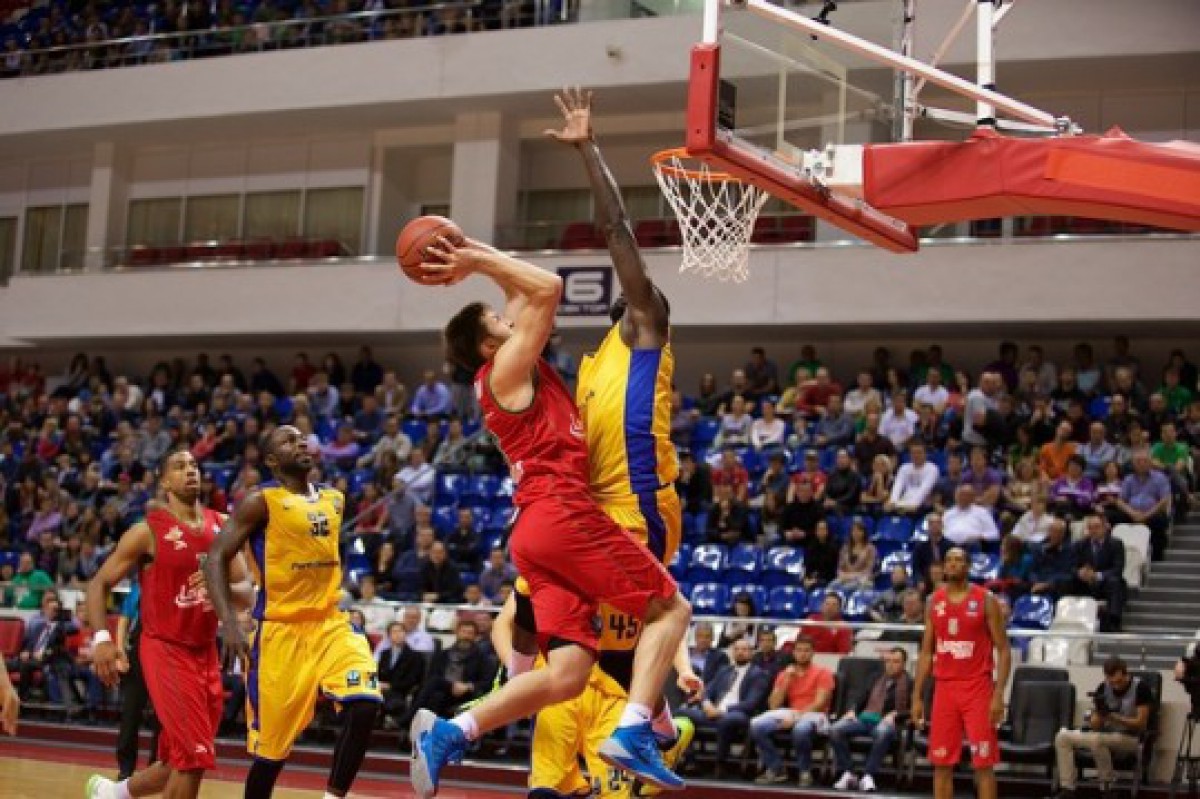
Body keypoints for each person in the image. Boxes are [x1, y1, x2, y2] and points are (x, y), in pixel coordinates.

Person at [422, 181, 691, 793]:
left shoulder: (516, 365)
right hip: (563, 514)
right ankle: (639, 728)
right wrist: (472, 259)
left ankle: (453, 731)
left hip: (537, 532)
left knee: (568, 674)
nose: (509, 316)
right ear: (490, 344)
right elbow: (543, 287)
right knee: (671, 607)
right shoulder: (507, 369)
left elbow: (520, 292)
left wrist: (472, 254)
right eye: (499, 321)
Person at [204, 426, 383, 799]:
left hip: (330, 623)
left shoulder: (335, 499)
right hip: (280, 633)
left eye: (302, 438)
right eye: (288, 441)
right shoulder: (261, 501)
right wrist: (229, 622)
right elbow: (216, 556)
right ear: (272, 460)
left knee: (365, 704)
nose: (300, 443)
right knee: (271, 755)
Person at [84, 448, 251, 799]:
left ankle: (112, 793)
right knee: (194, 757)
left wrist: (219, 585)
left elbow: (246, 592)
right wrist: (102, 639)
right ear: (164, 482)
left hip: (205, 652)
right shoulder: (147, 532)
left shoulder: (222, 526)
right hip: (165, 649)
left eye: (194, 465)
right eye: (179, 466)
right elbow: (98, 584)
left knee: (176, 761)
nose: (190, 471)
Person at [912, 548, 1012, 799]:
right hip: (944, 689)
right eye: (949, 560)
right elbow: (926, 652)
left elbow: (1004, 650)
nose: (953, 564)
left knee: (983, 764)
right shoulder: (933, 601)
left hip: (978, 688)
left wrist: (999, 694)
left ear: (968, 567)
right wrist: (917, 696)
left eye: (958, 560)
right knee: (941, 763)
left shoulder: (986, 600)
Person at [1050, 656, 1152, 799]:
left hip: (1131, 738)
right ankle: (1068, 788)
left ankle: (1107, 788)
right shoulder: (1103, 688)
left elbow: (1141, 723)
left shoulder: (1141, 688)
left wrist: (1114, 717)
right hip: (1104, 733)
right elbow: (1095, 726)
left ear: (1125, 674)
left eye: (1119, 682)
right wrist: (1099, 714)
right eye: (1111, 682)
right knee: (1063, 737)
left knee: (1097, 740)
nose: (1115, 686)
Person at [748, 636, 835, 786]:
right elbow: (773, 705)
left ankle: (805, 771)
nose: (802, 654)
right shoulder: (785, 673)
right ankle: (777, 768)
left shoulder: (823, 673)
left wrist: (795, 718)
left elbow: (819, 703)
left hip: (815, 715)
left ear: (813, 653)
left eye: (806, 651)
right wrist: (787, 679)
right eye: (799, 650)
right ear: (793, 653)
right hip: (791, 711)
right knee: (756, 726)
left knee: (800, 729)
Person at [677, 638, 768, 777]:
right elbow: (707, 691)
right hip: (712, 712)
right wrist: (707, 704)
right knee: (680, 713)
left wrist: (721, 711)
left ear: (751, 653)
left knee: (728, 720)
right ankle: (690, 761)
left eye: (744, 649)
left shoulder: (758, 674)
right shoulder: (724, 670)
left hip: (738, 714)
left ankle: (720, 764)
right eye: (737, 649)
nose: (740, 652)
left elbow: (751, 703)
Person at [830, 647, 913, 793]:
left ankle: (868, 775)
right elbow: (861, 697)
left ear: (904, 664)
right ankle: (849, 772)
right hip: (865, 718)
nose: (890, 665)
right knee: (835, 729)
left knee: (883, 732)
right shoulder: (875, 678)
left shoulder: (910, 683)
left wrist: (897, 714)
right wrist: (852, 710)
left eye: (896, 662)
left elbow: (914, 710)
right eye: (888, 661)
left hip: (888, 723)